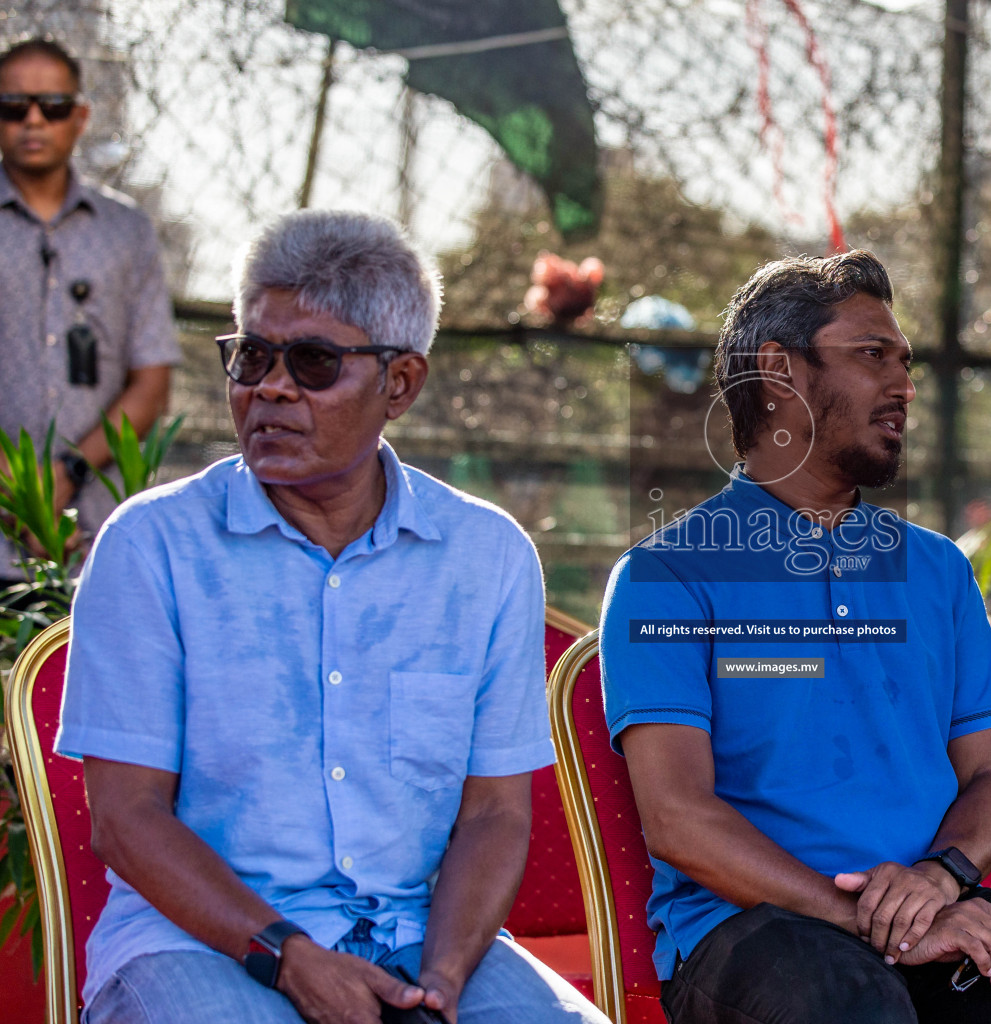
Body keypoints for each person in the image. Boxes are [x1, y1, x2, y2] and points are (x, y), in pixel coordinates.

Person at [599, 250, 991, 1024]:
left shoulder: (935, 571)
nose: (903, 386)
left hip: (940, 907)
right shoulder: (666, 574)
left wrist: (938, 880)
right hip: (754, 931)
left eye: (904, 362)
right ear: (778, 371)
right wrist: (879, 919)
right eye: (872, 356)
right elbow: (680, 818)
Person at [57, 210, 606, 1024]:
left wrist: (443, 986)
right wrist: (289, 958)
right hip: (200, 941)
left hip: (419, 940)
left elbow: (493, 815)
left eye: (312, 362)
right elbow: (126, 820)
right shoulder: (152, 547)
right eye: (251, 356)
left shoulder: (485, 558)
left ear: (401, 384)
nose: (270, 388)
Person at [0, 36, 178, 574]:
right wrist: (19, 491)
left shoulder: (127, 231)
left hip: (95, 535)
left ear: (79, 117)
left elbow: (151, 381)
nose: (34, 120)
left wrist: (65, 474)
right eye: (13, 106)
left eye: (51, 107)